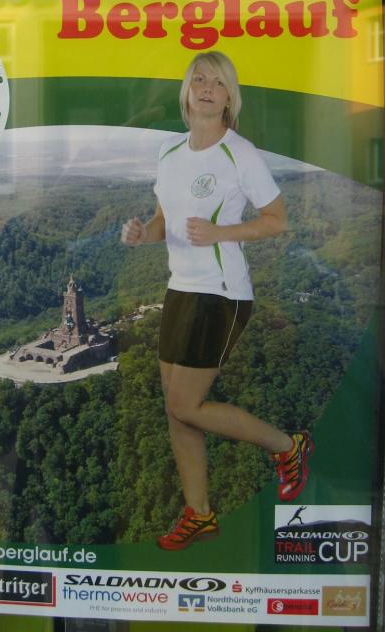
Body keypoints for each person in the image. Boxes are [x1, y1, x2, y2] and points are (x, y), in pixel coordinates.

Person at [121, 52, 313, 551]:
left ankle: (288, 446)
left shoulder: (240, 153)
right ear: (187, 91)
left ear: (230, 97)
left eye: (218, 82)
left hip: (221, 293)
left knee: (184, 403)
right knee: (177, 412)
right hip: (180, 288)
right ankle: (200, 514)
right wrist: (142, 234)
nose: (207, 87)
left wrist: (220, 232)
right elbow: (163, 221)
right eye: (199, 79)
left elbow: (277, 220)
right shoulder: (168, 151)